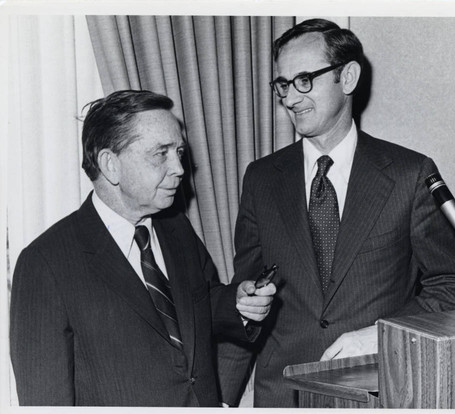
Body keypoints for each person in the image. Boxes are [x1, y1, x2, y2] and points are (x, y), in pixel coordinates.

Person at [217, 18, 455, 408]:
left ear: (349, 77)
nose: (290, 98)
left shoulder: (410, 173)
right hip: (285, 396)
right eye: (283, 84)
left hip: (378, 389)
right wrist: (217, 398)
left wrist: (382, 332)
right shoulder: (261, 179)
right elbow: (249, 290)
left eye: (305, 79)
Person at [9, 90, 276, 406]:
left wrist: (239, 303)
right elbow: (46, 403)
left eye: (178, 151)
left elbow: (199, 303)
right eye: (161, 153)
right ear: (111, 165)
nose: (179, 168)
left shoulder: (175, 228)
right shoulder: (45, 263)